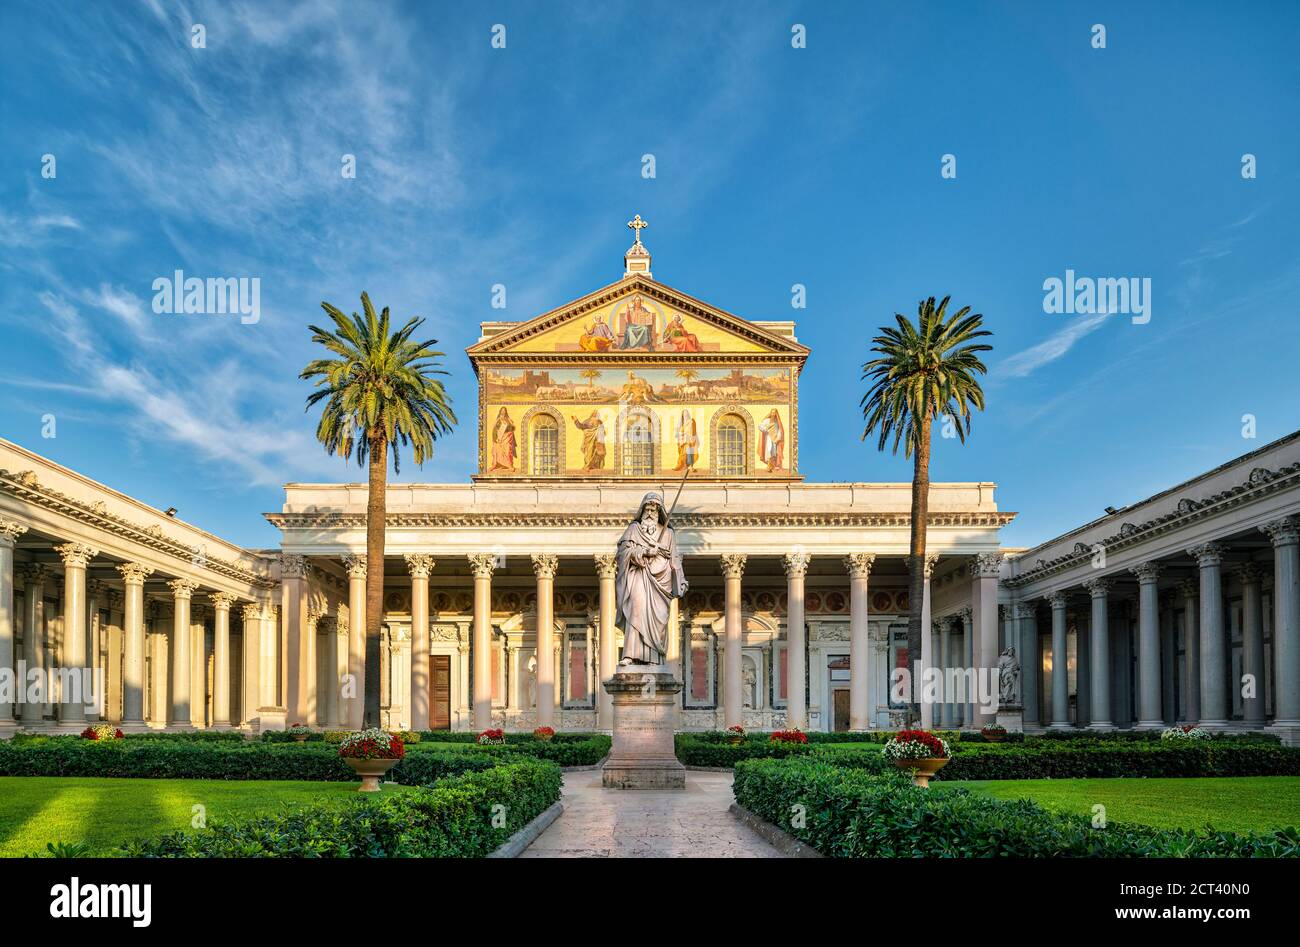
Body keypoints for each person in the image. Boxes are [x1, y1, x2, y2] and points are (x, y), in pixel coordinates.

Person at [614, 492, 688, 666]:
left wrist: (680, 579)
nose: (649, 513)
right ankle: (630, 655)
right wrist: (645, 552)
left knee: (659, 617)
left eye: (653, 510)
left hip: (661, 581)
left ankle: (655, 658)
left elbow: (675, 559)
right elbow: (623, 553)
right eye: (647, 509)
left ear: (659, 512)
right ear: (642, 511)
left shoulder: (668, 533)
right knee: (636, 608)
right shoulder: (634, 529)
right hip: (639, 576)